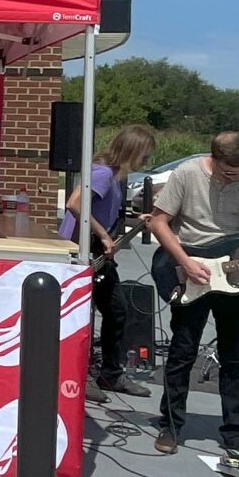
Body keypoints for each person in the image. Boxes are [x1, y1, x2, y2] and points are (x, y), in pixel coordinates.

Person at [142, 130, 239, 456]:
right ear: (214, 158)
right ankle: (170, 424)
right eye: (227, 172)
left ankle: (234, 433)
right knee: (182, 353)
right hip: (191, 268)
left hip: (238, 274)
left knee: (235, 358)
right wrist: (184, 261)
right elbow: (158, 222)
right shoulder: (187, 173)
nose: (234, 177)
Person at [63, 121, 157, 395]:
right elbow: (75, 203)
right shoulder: (103, 173)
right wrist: (104, 236)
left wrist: (133, 220)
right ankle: (84, 375)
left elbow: (102, 212)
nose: (146, 161)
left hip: (98, 253)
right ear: (132, 150)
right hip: (85, 250)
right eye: (145, 155)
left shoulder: (115, 176)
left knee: (116, 312)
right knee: (88, 314)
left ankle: (109, 374)